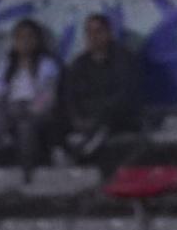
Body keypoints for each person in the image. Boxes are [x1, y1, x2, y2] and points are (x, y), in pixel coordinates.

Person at [0, 19, 62, 171]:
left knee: (25, 124)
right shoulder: (6, 65)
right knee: (0, 113)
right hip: (10, 109)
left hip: (35, 110)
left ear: (37, 41)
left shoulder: (47, 64)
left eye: (30, 37)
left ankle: (27, 167)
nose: (25, 41)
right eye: (21, 37)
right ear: (15, 41)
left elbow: (49, 95)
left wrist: (32, 109)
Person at [61, 13, 143, 163]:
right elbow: (70, 97)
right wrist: (77, 119)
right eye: (89, 32)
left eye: (98, 31)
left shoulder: (123, 59)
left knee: (107, 116)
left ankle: (84, 147)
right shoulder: (79, 64)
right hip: (86, 118)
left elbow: (125, 94)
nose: (93, 37)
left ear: (108, 33)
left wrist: (98, 113)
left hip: (117, 118)